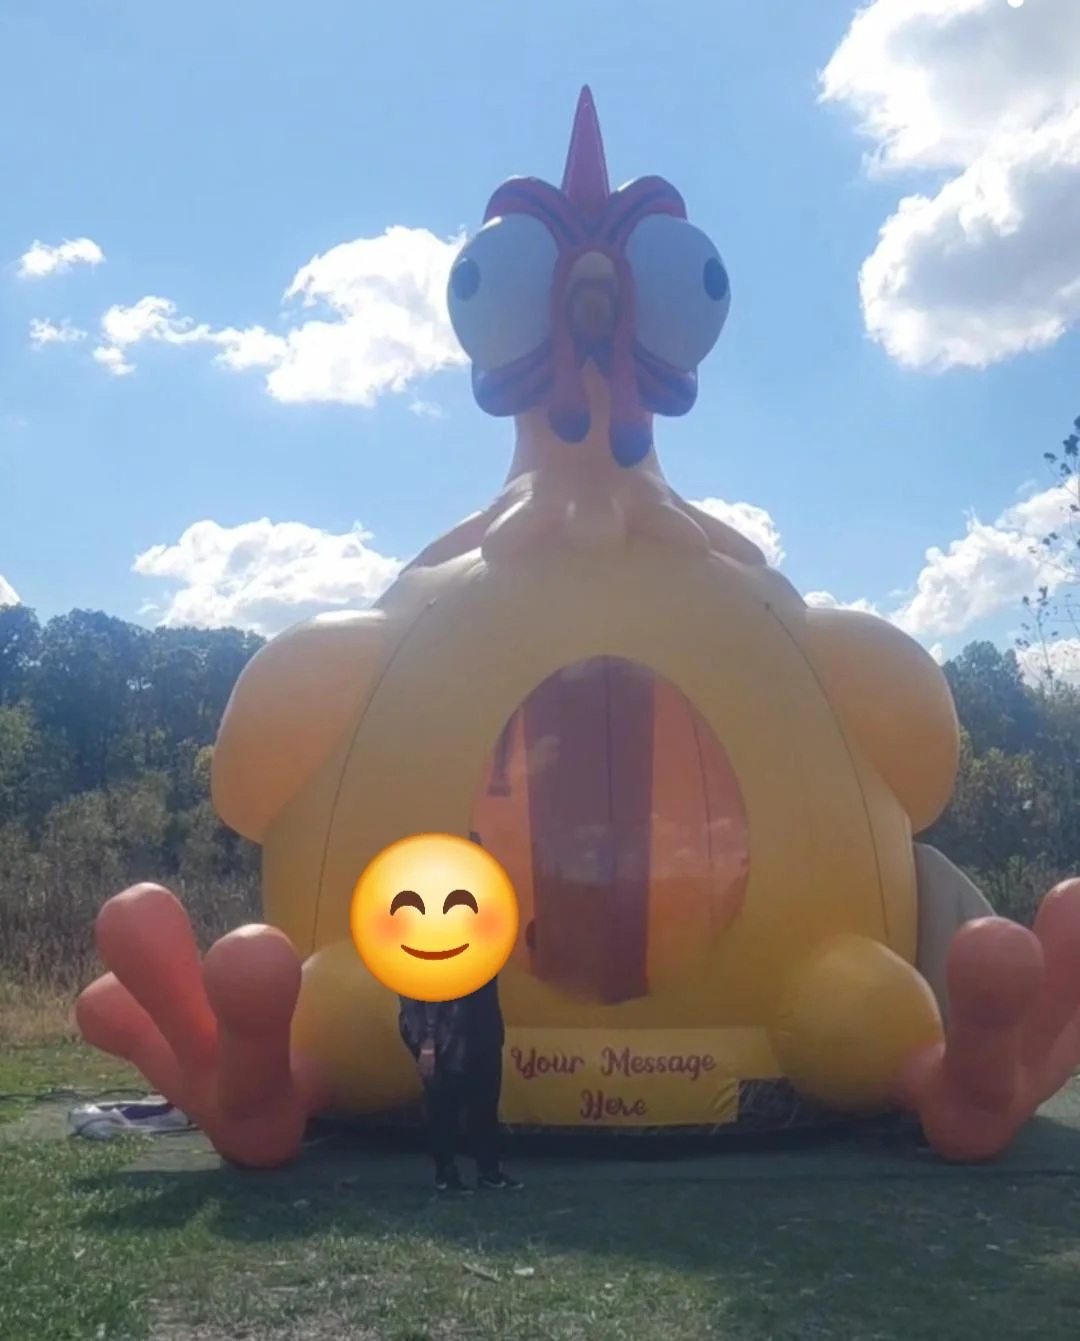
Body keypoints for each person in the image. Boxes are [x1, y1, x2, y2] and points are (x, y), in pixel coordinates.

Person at [399, 971, 523, 1193]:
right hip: (446, 1039)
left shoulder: (484, 947)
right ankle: (446, 1173)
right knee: (444, 1106)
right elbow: (413, 996)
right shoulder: (423, 951)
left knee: (485, 1105)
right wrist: (426, 1042)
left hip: (482, 1033)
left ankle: (489, 1171)